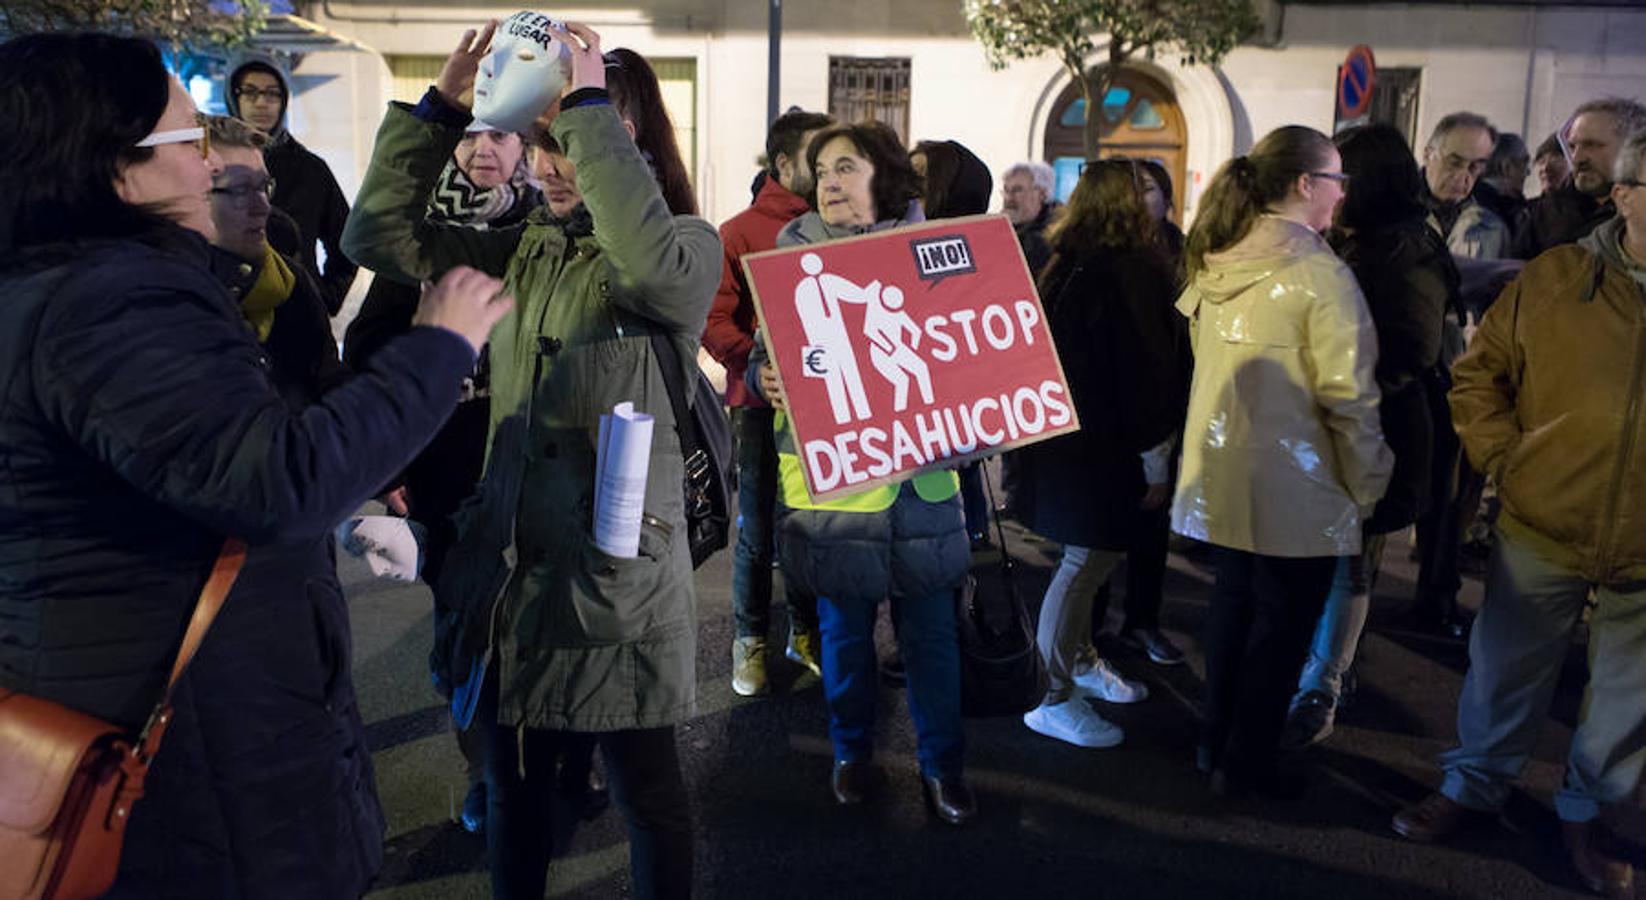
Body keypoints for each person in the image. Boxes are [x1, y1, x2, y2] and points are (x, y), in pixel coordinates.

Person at [0, 32, 511, 895]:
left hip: (164, 714)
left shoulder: (60, 282)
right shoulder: (108, 302)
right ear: (113, 168)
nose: (213, 166)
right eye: (191, 143)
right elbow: (277, 480)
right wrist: (438, 347)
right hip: (198, 753)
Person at [341, 22, 716, 899]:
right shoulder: (525, 247)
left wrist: (586, 105)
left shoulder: (689, 244)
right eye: (539, 138)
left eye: (567, 137)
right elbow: (376, 239)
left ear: (625, 139)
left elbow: (653, 273)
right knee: (514, 797)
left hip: (612, 585)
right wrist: (437, 109)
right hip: (513, 576)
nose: (545, 162)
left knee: (647, 797)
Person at [1390, 129, 1646, 900]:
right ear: (1627, 196)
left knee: (1630, 696)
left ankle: (1590, 812)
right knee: (1504, 669)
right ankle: (1474, 785)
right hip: (1545, 519)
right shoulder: (1558, 278)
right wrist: (1510, 462)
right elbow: (1479, 380)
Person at [747, 120, 976, 825]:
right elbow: (765, 355)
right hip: (836, 487)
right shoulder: (791, 256)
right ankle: (851, 753)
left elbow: (973, 359)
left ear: (886, 174)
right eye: (821, 171)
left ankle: (944, 768)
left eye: (845, 166)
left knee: (932, 640)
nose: (830, 181)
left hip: (922, 486)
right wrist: (764, 379)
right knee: (844, 637)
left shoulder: (940, 253)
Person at [1172, 125, 1392, 797]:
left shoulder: (1217, 259)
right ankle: (1249, 765)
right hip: (1302, 485)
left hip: (1222, 476)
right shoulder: (1321, 277)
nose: (1341, 195)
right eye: (1336, 180)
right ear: (1306, 185)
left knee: (1232, 612)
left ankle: (1213, 746)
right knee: (1282, 632)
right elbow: (1348, 399)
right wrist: (1370, 479)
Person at [342, 118, 542, 834]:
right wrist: (392, 460)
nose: (484, 150)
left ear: (527, 147)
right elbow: (370, 351)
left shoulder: (546, 228)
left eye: (502, 137)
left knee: (537, 625)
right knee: (468, 629)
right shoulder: (423, 237)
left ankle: (559, 762)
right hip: (446, 464)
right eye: (469, 138)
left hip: (527, 458)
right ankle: (485, 769)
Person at [1282, 124, 1459, 749]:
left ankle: (1323, 686)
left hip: (1374, 432)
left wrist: (1330, 380)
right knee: (1328, 560)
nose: (1330, 188)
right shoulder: (1360, 241)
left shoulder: (1406, 250)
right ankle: (1319, 674)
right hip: (1338, 427)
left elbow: (1411, 350)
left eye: (1340, 176)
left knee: (1349, 566)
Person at [1013, 160, 1184, 748]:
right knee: (1085, 563)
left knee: (1089, 562)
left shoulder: (1066, 261)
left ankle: (1079, 662)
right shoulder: (1130, 270)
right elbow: (1147, 370)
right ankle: (1050, 693)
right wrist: (1156, 454)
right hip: (1105, 449)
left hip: (1068, 446)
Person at [704, 108, 833, 697]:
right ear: (784, 163)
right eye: (819, 155)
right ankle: (750, 639)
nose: (831, 166)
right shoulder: (737, 232)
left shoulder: (838, 226)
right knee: (756, 527)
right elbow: (714, 320)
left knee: (809, 526)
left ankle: (804, 631)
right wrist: (756, 376)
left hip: (824, 405)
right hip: (758, 410)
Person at [1089, 156, 1191, 669]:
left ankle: (1142, 621)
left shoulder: (1181, 250)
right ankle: (1094, 631)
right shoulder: (1110, 256)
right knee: (1105, 529)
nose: (1138, 198)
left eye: (1148, 188)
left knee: (1152, 529)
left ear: (1167, 198)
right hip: (1118, 419)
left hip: (1166, 409)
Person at [204, 114, 347, 408]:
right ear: (194, 193)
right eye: (241, 190)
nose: (264, 207)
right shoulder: (170, 295)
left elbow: (332, 387)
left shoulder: (292, 282)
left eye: (264, 187)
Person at [225, 56, 358, 315]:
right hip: (234, 311)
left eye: (272, 94)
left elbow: (348, 242)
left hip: (298, 311)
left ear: (284, 101)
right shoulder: (214, 166)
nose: (261, 103)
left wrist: (325, 297)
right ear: (234, 98)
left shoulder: (310, 169)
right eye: (250, 93)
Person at [912, 139, 994, 548]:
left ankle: (972, 536)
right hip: (913, 398)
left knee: (962, 475)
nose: (910, 185)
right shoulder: (889, 239)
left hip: (957, 393)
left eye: (921, 177)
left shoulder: (980, 250)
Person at [1514, 97, 1646, 259]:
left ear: (1633, 148)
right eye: (1572, 147)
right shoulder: (1546, 211)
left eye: (1592, 145)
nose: (1576, 158)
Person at [1421, 112, 1511, 260]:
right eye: (1454, 163)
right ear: (1428, 155)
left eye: (1474, 168)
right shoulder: (1392, 216)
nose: (1462, 176)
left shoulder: (1493, 230)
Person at [1000, 160, 1058, 276]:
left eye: (1017, 190)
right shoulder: (999, 230)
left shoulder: (1053, 237)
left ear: (1042, 194)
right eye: (1006, 190)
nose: (1008, 198)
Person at [1477, 131, 1530, 234]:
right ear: (1506, 167)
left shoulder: (1467, 201)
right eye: (1524, 163)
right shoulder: (1492, 216)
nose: (1528, 172)